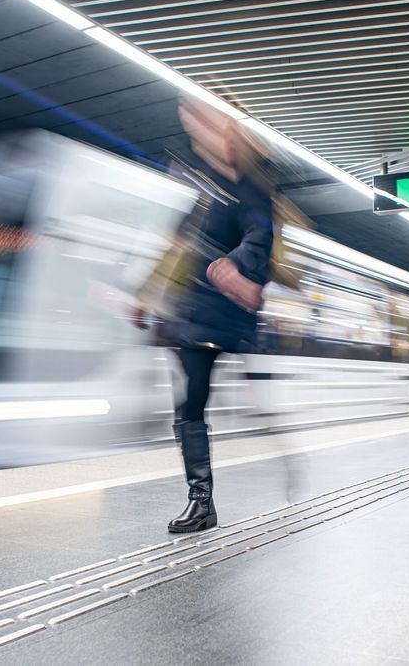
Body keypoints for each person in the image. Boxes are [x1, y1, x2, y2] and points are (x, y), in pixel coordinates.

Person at [137, 98, 275, 533]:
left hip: (220, 312)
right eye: (194, 131)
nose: (200, 138)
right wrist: (144, 295)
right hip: (194, 314)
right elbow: (176, 248)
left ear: (228, 133)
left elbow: (260, 234)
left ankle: (202, 502)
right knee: (189, 407)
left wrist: (237, 265)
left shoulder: (250, 186)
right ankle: (201, 502)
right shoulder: (205, 190)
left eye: (205, 128)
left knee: (191, 405)